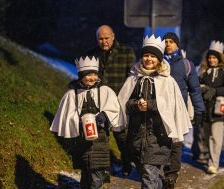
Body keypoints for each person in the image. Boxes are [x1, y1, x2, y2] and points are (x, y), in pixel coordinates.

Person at [118, 34, 192, 189]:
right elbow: (124, 103)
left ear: (159, 59)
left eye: (153, 56)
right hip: (137, 136)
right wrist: (136, 104)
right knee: (147, 173)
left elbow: (171, 106)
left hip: (158, 137)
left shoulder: (167, 81)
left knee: (149, 175)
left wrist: (150, 105)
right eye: (146, 55)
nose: (149, 59)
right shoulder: (133, 79)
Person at [50, 56, 123, 189]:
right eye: (88, 74)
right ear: (81, 76)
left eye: (94, 74)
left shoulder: (105, 91)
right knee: (86, 173)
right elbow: (67, 117)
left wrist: (103, 117)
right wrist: (78, 123)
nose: (92, 78)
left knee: (97, 175)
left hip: (100, 142)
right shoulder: (72, 94)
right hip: (82, 142)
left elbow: (114, 110)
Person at [86, 25, 136, 176]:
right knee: (101, 136)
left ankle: (127, 163)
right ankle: (102, 168)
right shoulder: (92, 54)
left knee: (121, 137)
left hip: (120, 102)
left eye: (106, 38)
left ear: (113, 36)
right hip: (99, 102)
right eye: (100, 39)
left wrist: (129, 101)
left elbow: (133, 78)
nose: (104, 41)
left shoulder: (126, 52)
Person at [162, 32, 205, 188]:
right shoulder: (157, 61)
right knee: (162, 141)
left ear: (177, 44)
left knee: (176, 142)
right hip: (160, 109)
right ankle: (161, 169)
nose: (168, 44)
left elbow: (194, 89)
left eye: (171, 41)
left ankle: (172, 173)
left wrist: (199, 110)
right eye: (165, 41)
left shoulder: (186, 64)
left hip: (178, 110)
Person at [198, 40, 224, 174]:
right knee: (207, 136)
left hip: (218, 110)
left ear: (218, 59)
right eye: (210, 57)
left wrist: (215, 91)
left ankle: (213, 163)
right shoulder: (204, 72)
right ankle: (209, 158)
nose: (211, 60)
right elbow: (199, 86)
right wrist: (203, 89)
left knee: (216, 138)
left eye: (214, 58)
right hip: (206, 110)